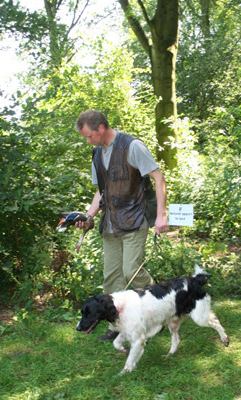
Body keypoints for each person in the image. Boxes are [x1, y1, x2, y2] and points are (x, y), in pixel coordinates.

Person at [74, 110, 169, 341]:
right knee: (112, 278)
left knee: (131, 272)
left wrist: (161, 214)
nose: (87, 141)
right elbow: (101, 191)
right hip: (110, 225)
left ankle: (161, 308)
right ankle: (117, 326)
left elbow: (158, 177)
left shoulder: (132, 146)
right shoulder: (97, 153)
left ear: (101, 128)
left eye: (89, 136)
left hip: (135, 220)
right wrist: (88, 216)